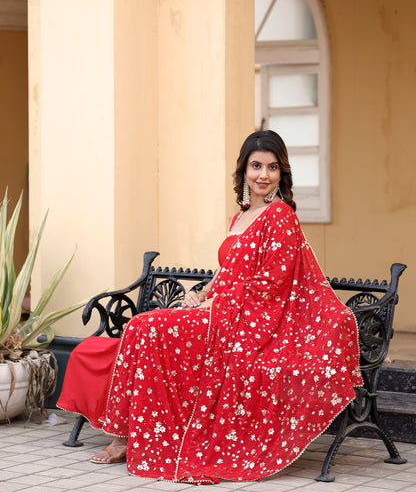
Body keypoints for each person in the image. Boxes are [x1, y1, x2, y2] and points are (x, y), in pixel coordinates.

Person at [57, 130, 362, 483]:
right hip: (219, 312)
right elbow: (226, 273)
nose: (264, 175)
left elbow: (271, 285)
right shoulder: (240, 217)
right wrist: (202, 295)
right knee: (142, 326)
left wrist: (219, 305)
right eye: (256, 166)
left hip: (246, 326)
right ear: (244, 172)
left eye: (272, 167)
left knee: (146, 328)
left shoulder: (280, 217)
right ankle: (127, 436)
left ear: (283, 174)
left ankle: (126, 437)